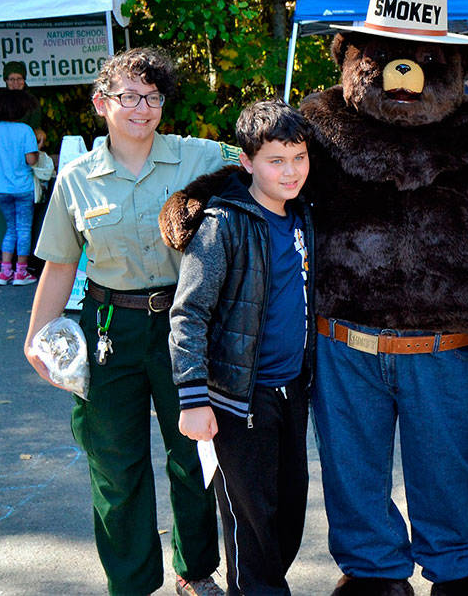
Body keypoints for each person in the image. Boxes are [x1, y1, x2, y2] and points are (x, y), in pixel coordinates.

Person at [22, 48, 233, 596]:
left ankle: (195, 571)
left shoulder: (200, 157)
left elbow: (269, 161)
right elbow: (61, 264)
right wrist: (36, 337)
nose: (143, 108)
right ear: (101, 103)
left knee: (194, 454)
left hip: (184, 327)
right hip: (108, 328)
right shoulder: (75, 179)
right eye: (130, 96)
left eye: (154, 97)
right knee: (114, 462)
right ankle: (131, 582)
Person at [169, 100, 315, 596]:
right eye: (276, 160)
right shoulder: (222, 224)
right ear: (248, 162)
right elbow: (188, 313)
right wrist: (193, 398)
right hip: (236, 400)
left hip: (291, 392)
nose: (290, 171)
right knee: (249, 523)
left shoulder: (303, 217)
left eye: (298, 157)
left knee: (289, 511)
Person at [0, 88, 40, 285]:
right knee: (24, 227)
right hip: (23, 187)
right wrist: (38, 148)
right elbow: (31, 160)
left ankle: (4, 271)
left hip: (0, 188)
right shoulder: (25, 130)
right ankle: (21, 272)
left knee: (10, 227)